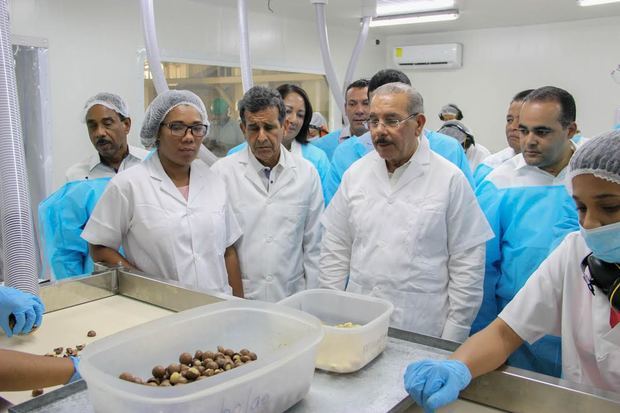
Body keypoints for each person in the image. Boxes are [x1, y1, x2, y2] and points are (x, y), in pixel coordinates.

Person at [404, 131, 620, 411]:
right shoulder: (575, 251)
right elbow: (505, 333)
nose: (590, 223)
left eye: (610, 207)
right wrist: (457, 367)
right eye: (579, 207)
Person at [319, 83, 493, 343]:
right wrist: (330, 317)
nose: (379, 131)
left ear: (419, 124)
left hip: (422, 325)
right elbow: (335, 249)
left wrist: (451, 338)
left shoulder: (449, 179)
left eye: (392, 121)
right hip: (358, 323)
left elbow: (467, 265)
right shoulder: (356, 175)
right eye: (373, 121)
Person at [82, 90, 243, 297]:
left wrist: (240, 307)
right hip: (161, 309)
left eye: (196, 128)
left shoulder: (214, 180)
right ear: (157, 131)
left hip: (217, 306)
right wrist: (147, 287)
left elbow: (228, 250)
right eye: (177, 128)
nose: (188, 137)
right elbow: (99, 247)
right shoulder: (128, 184)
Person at [471, 86, 581, 377]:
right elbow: (482, 269)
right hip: (518, 330)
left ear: (571, 130)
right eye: (524, 130)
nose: (528, 141)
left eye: (542, 132)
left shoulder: (594, 177)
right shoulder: (500, 183)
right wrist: (483, 335)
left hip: (586, 326)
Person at [212, 86, 323, 302]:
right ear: (243, 128)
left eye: (269, 127)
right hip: (242, 299)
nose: (261, 137)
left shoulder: (306, 174)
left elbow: (314, 246)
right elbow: (217, 247)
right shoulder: (221, 174)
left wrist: (314, 303)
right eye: (253, 128)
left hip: (292, 298)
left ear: (284, 126)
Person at [323, 69, 474, 205]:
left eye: (392, 118)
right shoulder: (348, 155)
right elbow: (335, 223)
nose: (382, 129)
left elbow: (467, 217)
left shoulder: (448, 150)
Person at [228, 84, 331, 202]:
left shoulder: (316, 159)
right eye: (288, 111)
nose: (293, 120)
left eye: (300, 115)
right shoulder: (233, 158)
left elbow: (321, 209)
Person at [65, 93, 148, 181]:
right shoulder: (77, 176)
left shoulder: (151, 163)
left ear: (126, 125)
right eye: (92, 126)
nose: (99, 133)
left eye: (107, 124)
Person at [473, 89, 533, 186]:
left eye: (521, 120)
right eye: (509, 120)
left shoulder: (562, 170)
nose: (512, 127)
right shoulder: (490, 167)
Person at [312, 79, 370, 159]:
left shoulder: (385, 145)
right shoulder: (320, 147)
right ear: (345, 109)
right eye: (352, 104)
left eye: (366, 103)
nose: (359, 110)